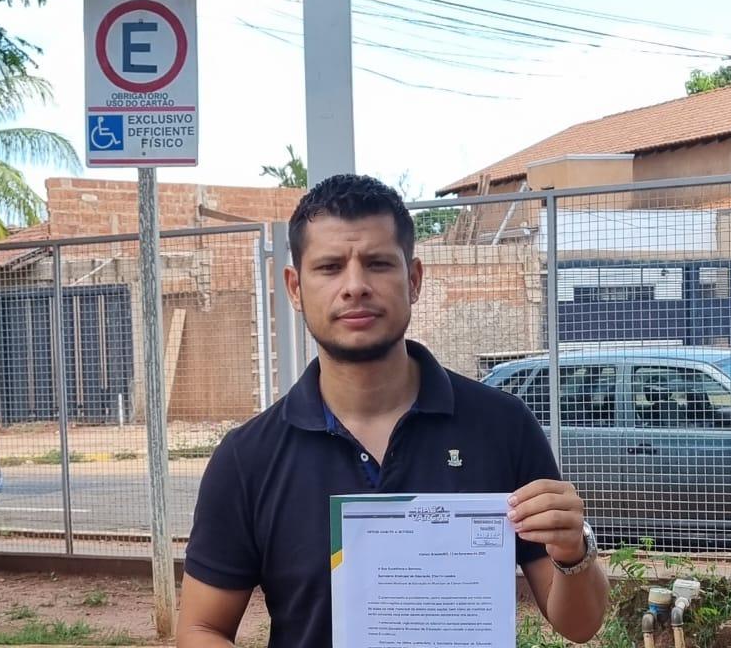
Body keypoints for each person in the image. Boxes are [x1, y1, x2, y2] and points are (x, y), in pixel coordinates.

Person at [177, 174, 610, 647]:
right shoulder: (247, 459)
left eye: (378, 263)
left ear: (414, 279)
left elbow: (580, 625)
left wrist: (573, 551)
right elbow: (201, 628)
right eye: (330, 267)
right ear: (295, 288)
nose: (355, 286)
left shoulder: (502, 426)